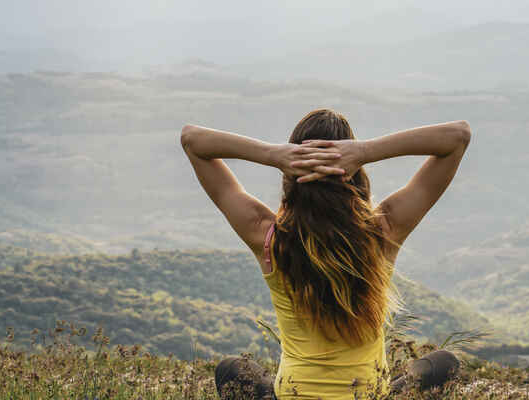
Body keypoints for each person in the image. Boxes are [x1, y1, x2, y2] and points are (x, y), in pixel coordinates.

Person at [180, 109, 471, 399]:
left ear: (291, 173)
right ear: (354, 173)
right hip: (367, 396)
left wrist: (274, 155)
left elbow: (193, 140)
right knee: (443, 364)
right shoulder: (384, 232)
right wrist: (365, 151)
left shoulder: (267, 237)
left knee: (233, 368)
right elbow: (457, 137)